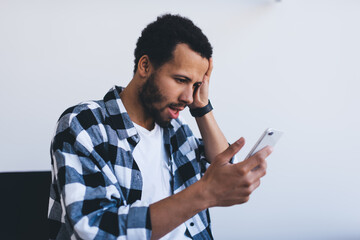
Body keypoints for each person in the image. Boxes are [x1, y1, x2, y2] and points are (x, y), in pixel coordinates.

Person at [48, 14, 272, 240]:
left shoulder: (175, 129)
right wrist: (203, 193)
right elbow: (95, 229)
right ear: (145, 66)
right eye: (181, 80)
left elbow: (220, 168)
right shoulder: (86, 123)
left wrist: (202, 107)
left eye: (195, 85)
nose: (188, 96)